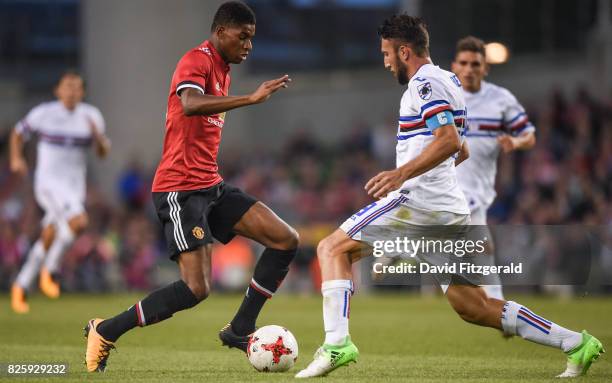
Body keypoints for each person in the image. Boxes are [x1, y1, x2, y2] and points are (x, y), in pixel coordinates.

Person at [296, 15, 604, 379]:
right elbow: (462, 150)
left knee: (331, 249)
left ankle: (336, 345)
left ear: (404, 50)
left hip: (419, 203)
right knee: (472, 306)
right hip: (446, 209)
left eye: (386, 53)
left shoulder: (423, 84)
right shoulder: (449, 81)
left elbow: (450, 141)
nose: (385, 61)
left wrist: (400, 174)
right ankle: (576, 343)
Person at [84, 1, 299, 372]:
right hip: (180, 190)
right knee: (196, 289)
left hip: (210, 185)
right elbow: (190, 103)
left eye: (252, 39)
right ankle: (105, 330)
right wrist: (251, 98)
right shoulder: (196, 60)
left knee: (286, 239)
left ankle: (241, 327)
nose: (248, 45)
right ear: (220, 32)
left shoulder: (223, 69)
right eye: (243, 37)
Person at [9, 70, 110, 314]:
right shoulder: (45, 113)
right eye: (68, 86)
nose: (72, 91)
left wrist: (97, 137)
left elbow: (103, 153)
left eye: (77, 87)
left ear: (82, 92)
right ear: (58, 90)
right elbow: (18, 133)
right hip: (48, 183)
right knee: (79, 222)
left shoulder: (91, 116)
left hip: (74, 186)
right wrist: (16, 158)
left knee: (51, 233)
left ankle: (21, 285)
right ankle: (50, 270)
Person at [452, 36, 536, 301]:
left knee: (480, 249)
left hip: (478, 187)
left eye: (475, 64)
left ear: (485, 68)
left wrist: (515, 140)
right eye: (464, 63)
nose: (469, 69)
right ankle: (501, 309)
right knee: (480, 247)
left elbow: (529, 135)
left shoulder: (500, 99)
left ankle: (398, 249)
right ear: (455, 66)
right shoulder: (445, 96)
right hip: (448, 183)